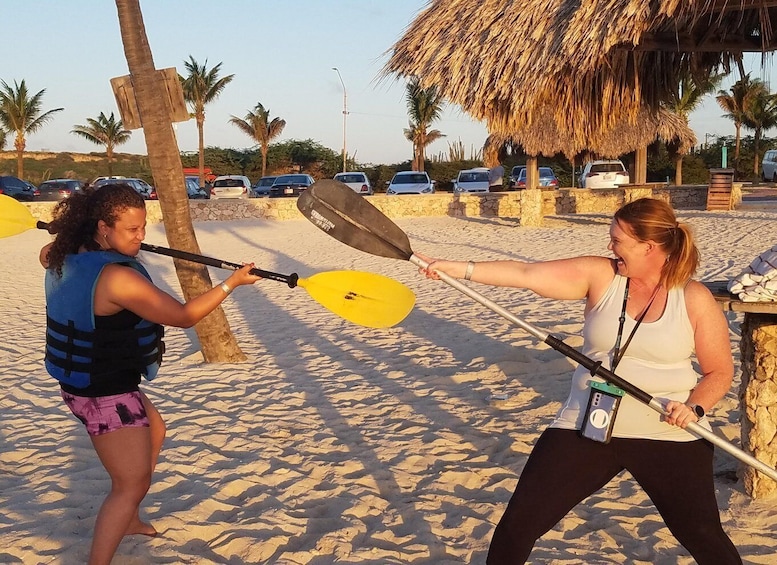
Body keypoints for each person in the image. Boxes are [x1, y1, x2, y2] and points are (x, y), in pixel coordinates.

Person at [419, 198, 741, 564]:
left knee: (701, 535)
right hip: (587, 424)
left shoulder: (694, 298)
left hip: (666, 430)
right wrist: (457, 268)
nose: (610, 247)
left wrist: (694, 406)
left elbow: (719, 372)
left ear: (648, 247)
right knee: (519, 524)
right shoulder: (601, 275)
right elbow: (526, 275)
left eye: (618, 240)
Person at [40, 184, 262, 565]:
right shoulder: (118, 279)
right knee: (131, 483)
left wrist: (72, 234)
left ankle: (131, 519)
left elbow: (46, 254)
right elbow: (183, 317)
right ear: (103, 227)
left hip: (86, 381)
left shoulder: (65, 253)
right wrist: (232, 282)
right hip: (105, 393)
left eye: (144, 228)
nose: (141, 237)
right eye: (132, 230)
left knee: (155, 429)